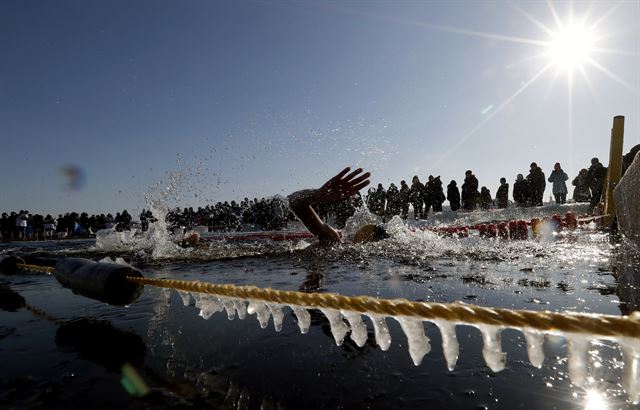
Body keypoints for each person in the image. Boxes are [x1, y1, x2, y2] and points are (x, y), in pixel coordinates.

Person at [288, 167, 388, 243]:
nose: (348, 237)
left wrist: (315, 195)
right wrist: (316, 195)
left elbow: (294, 201)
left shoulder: (333, 241)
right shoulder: (336, 240)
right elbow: (293, 200)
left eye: (354, 237)